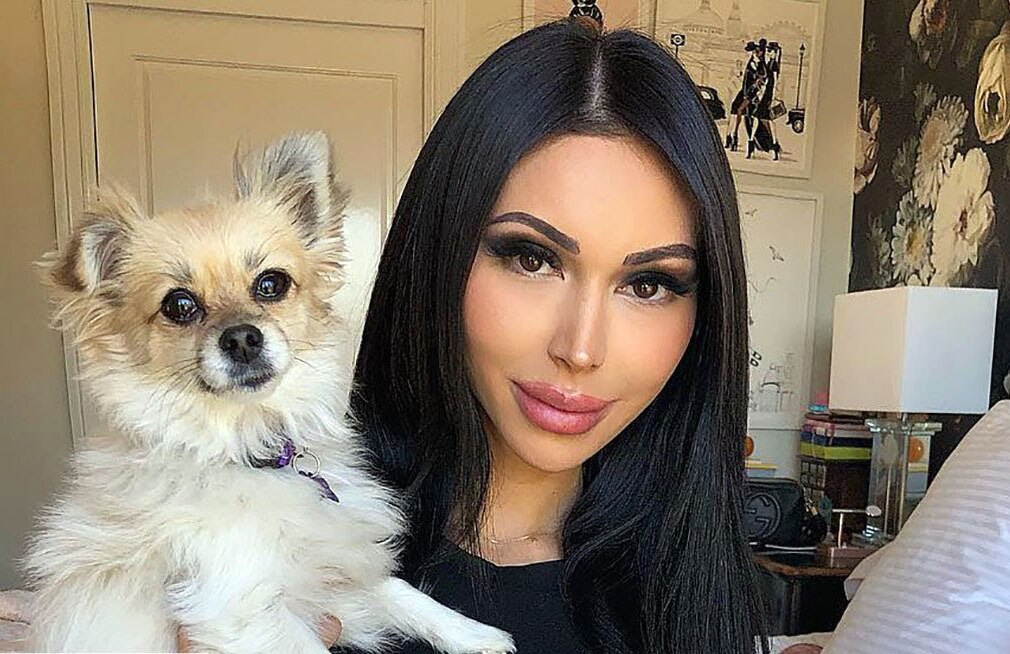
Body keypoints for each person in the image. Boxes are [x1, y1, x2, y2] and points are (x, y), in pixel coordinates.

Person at [346, 17, 766, 654]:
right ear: (440, 252)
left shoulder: (696, 583)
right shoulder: (294, 556)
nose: (580, 349)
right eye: (532, 259)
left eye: (648, 284)